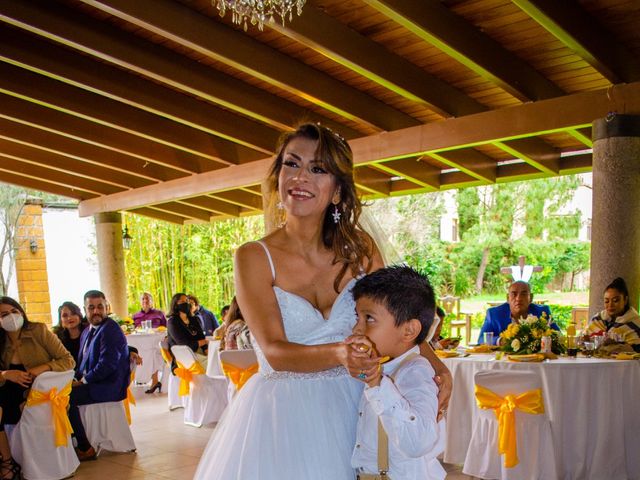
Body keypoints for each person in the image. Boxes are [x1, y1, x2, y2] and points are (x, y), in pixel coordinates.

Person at [193, 123, 451, 480]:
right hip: (285, 418)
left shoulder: (361, 251)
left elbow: (396, 318)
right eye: (291, 164)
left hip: (359, 405)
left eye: (317, 169)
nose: (300, 177)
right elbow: (273, 351)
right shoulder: (253, 257)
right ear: (277, 176)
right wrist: (340, 354)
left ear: (337, 192)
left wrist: (437, 365)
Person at [350, 266, 445, 479]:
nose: (356, 329)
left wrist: (376, 384)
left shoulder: (416, 372)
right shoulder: (386, 367)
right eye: (358, 318)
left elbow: (417, 442)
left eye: (369, 319)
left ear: (409, 330)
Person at [0, 296, 75, 479]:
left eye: (14, 311)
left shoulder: (38, 330)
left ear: (21, 312)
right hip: (7, 391)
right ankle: (8, 462)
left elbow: (68, 361)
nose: (11, 316)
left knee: (24, 408)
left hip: (40, 393)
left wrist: (42, 368)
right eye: (4, 314)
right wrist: (5, 374)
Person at [68, 290, 131, 461]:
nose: (96, 311)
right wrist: (74, 378)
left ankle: (84, 447)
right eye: (91, 307)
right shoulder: (88, 331)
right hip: (95, 382)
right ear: (85, 310)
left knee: (67, 398)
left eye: (100, 307)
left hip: (108, 385)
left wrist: (83, 381)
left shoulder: (111, 329)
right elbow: (82, 364)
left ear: (106, 307)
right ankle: (72, 442)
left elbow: (107, 365)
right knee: (60, 393)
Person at [477, 280, 558, 344]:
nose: (518, 298)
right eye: (514, 294)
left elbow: (558, 336)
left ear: (531, 298)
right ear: (508, 298)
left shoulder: (542, 312)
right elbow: (481, 340)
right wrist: (501, 341)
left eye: (523, 294)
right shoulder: (494, 314)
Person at [588, 277, 640, 351]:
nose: (610, 305)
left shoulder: (635, 323)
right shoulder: (598, 319)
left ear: (625, 300)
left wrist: (617, 345)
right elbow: (584, 341)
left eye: (615, 300)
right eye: (606, 301)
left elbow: (636, 348)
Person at [166, 293, 207, 373]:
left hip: (199, 353)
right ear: (175, 305)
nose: (186, 303)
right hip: (184, 357)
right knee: (211, 365)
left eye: (187, 301)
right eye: (182, 301)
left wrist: (207, 350)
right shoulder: (172, 322)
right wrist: (201, 342)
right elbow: (184, 345)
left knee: (215, 360)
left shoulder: (194, 319)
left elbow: (201, 337)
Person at [132, 292, 165, 393]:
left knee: (153, 352)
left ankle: (155, 381)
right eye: (143, 299)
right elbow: (132, 330)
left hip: (155, 343)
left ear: (152, 302)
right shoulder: (135, 316)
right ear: (140, 302)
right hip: (140, 343)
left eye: (147, 299)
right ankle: (137, 379)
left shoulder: (159, 314)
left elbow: (165, 328)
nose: (145, 301)